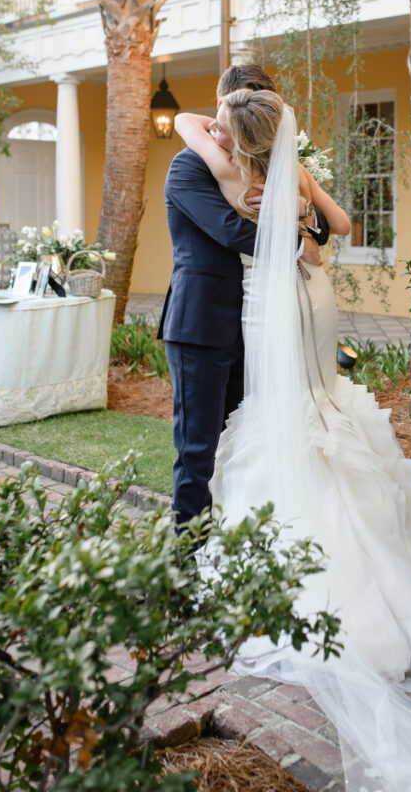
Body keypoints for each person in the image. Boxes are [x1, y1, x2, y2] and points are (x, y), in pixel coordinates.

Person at [175, 88, 411, 792]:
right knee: (316, 402)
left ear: (233, 134)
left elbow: (202, 147)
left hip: (270, 301)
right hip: (308, 292)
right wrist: (303, 235)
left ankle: (273, 564)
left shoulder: (236, 173)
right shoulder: (290, 172)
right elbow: (336, 232)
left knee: (279, 411)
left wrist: (278, 224)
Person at [158, 63, 328, 533]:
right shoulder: (188, 168)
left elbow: (325, 222)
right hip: (200, 327)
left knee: (239, 440)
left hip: (249, 325)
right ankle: (188, 556)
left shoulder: (249, 167)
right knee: (197, 448)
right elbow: (231, 231)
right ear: (223, 108)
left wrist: (307, 224)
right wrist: (297, 244)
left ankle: (230, 546)